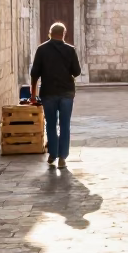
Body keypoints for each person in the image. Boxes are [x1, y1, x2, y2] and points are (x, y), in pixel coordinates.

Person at [30, 21, 81, 169]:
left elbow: (34, 74)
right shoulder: (70, 50)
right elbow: (76, 72)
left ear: (50, 34)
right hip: (66, 93)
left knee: (51, 125)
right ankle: (62, 158)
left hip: (48, 93)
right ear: (64, 34)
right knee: (65, 125)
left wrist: (33, 94)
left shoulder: (41, 50)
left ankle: (53, 153)